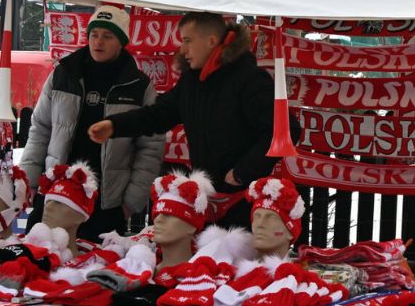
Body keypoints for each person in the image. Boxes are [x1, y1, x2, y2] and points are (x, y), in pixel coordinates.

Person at [89, 12, 286, 230]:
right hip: (205, 196)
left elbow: (284, 131)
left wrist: (242, 172)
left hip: (245, 202)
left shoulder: (249, 78)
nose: (182, 50)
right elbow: (159, 114)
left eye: (187, 41)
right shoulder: (192, 81)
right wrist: (114, 125)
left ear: (211, 41)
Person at [20, 5, 164, 241]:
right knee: (40, 256)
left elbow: (150, 148)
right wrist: (31, 179)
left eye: (108, 36)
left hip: (107, 201)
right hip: (55, 191)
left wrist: (130, 202)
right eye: (94, 35)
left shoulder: (139, 85)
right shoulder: (63, 73)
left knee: (92, 268)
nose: (99, 42)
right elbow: (40, 129)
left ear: (121, 41)